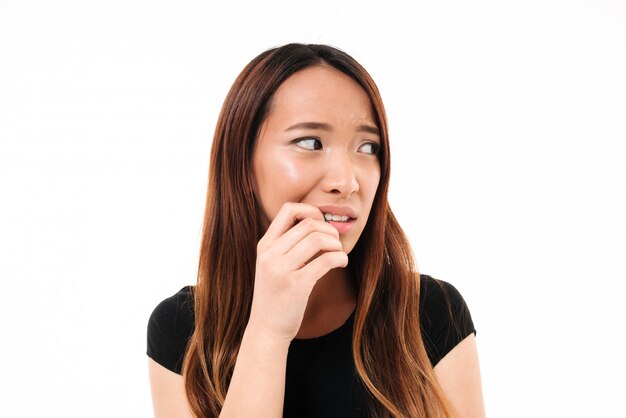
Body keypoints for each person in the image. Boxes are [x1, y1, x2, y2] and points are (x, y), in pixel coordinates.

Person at [147, 43, 485, 417]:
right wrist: (269, 329)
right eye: (310, 142)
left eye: (368, 146)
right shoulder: (183, 328)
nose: (347, 181)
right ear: (243, 165)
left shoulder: (431, 314)